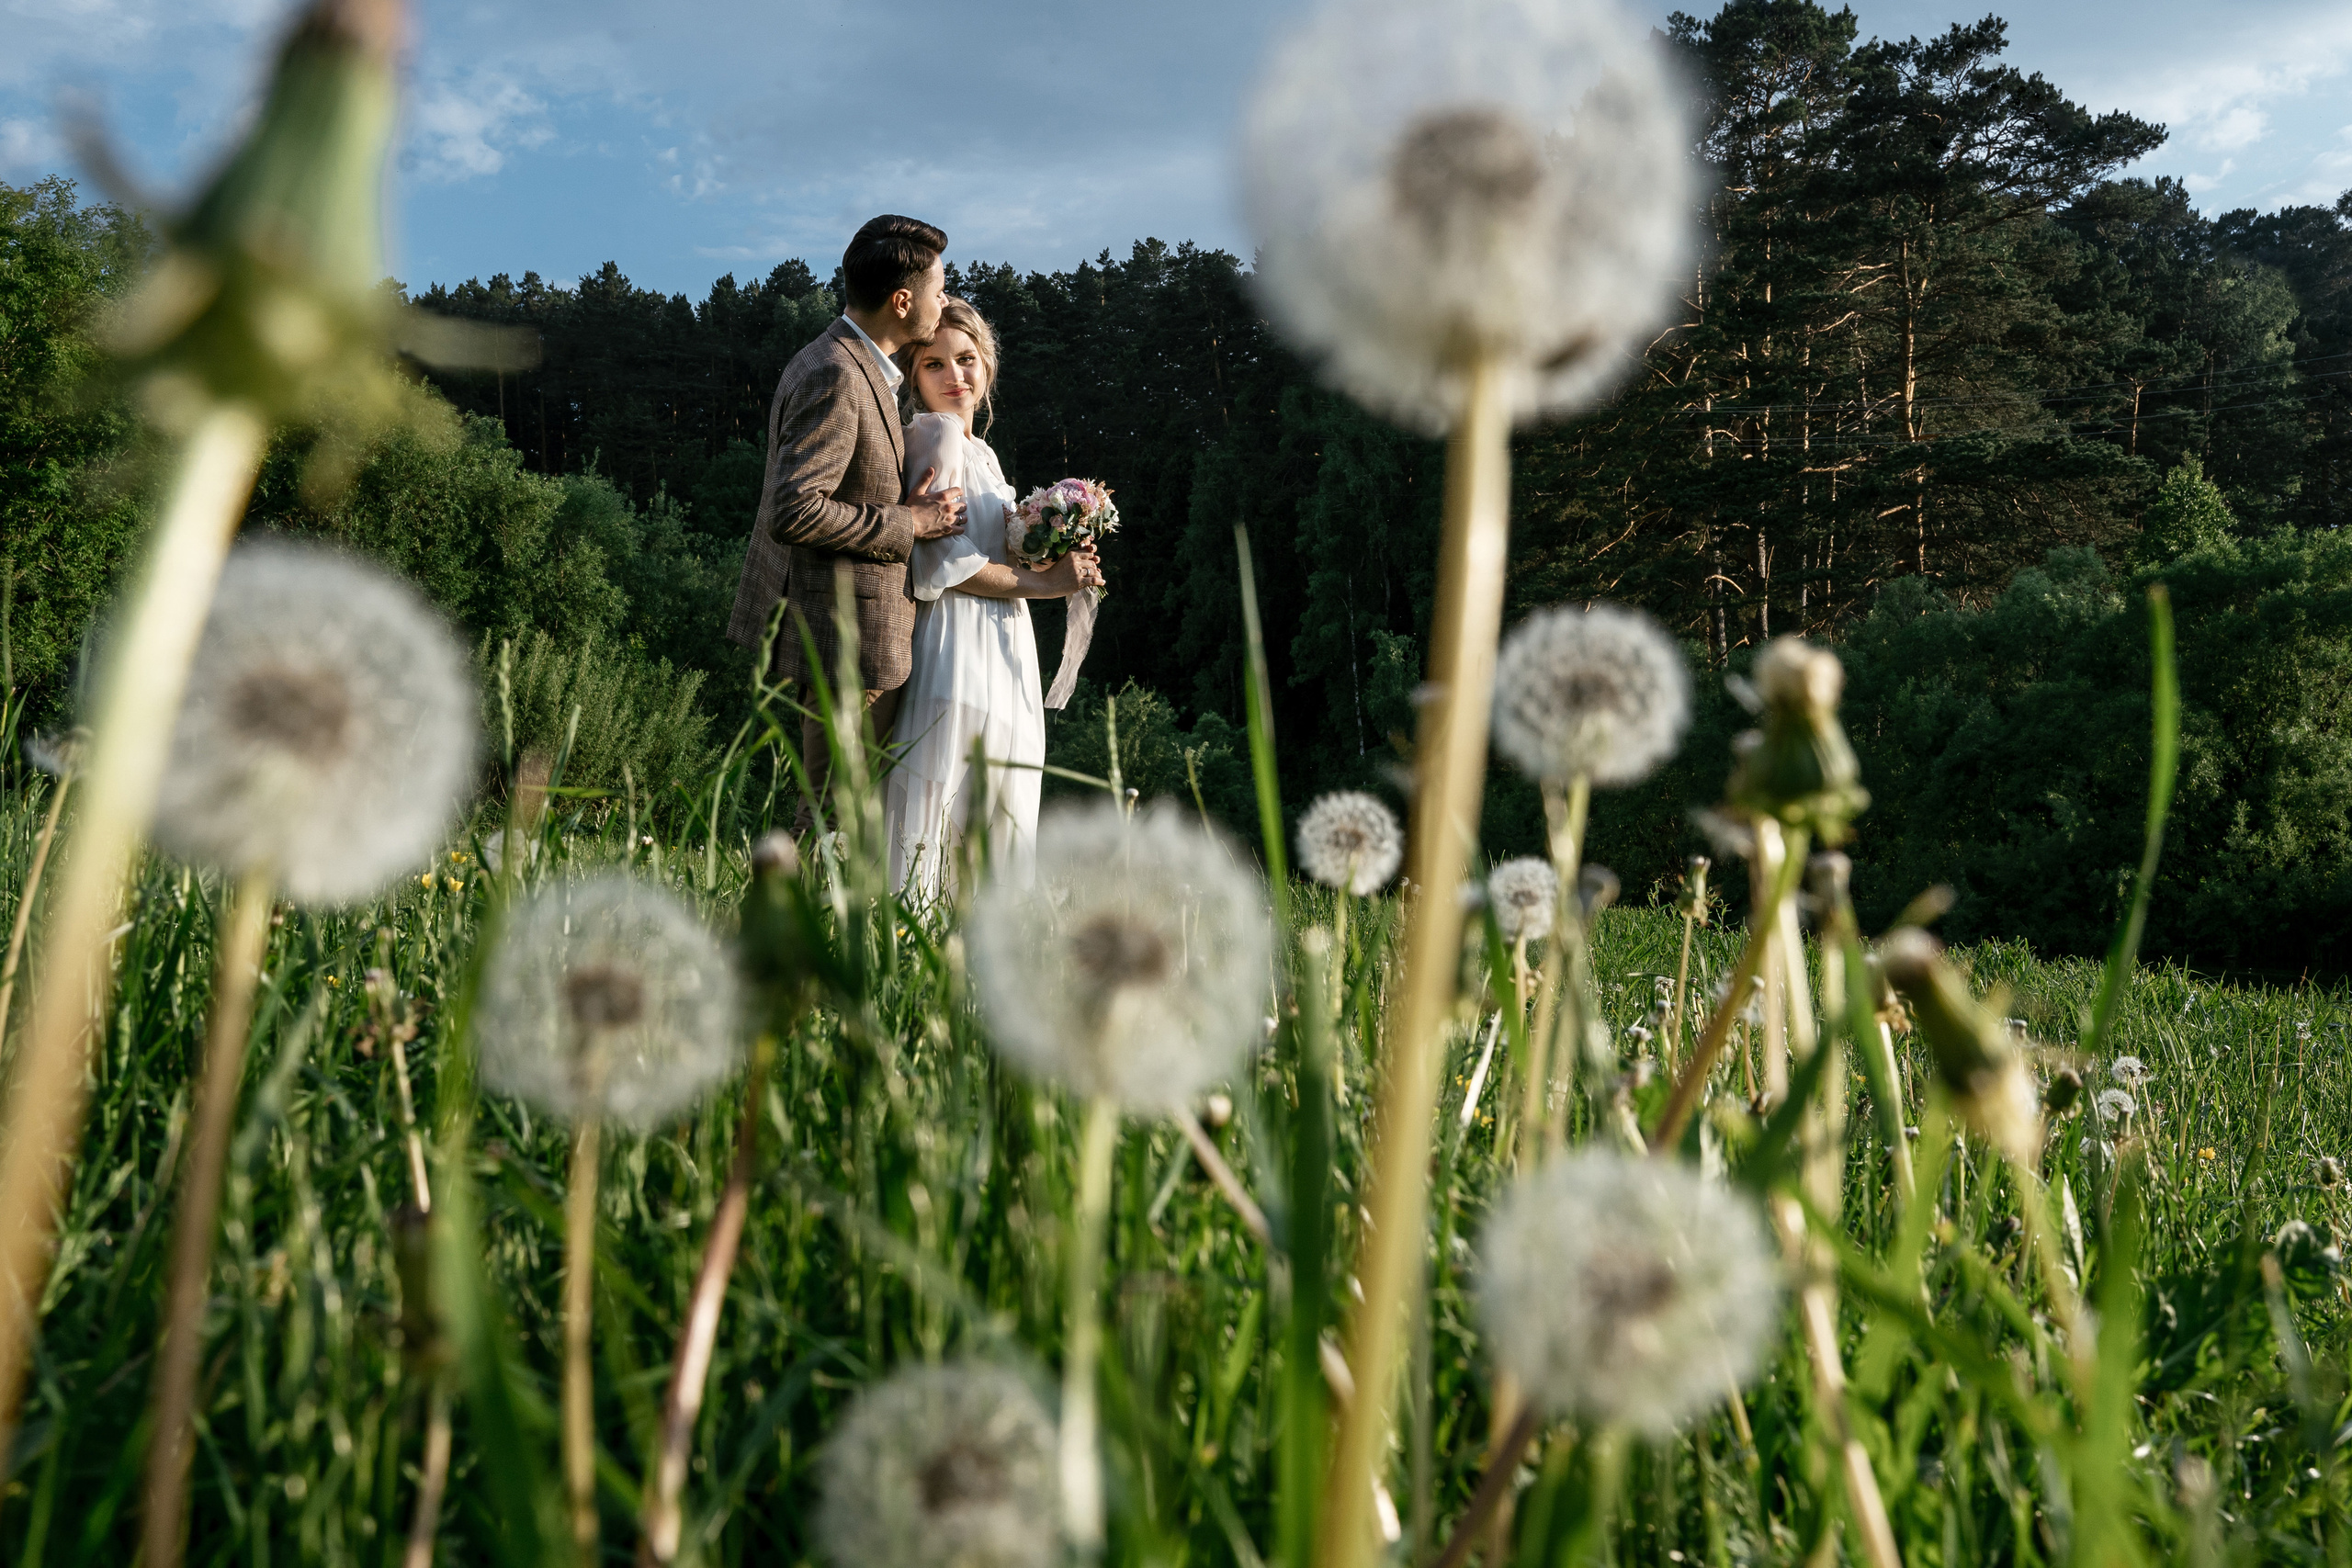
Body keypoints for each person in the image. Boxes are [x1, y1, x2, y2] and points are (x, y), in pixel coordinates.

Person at [723, 214, 968, 834]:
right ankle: (795, 928)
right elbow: (795, 508)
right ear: (903, 299)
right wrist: (908, 521)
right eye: (939, 291)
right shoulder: (837, 372)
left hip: (859, 639)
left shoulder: (858, 365)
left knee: (848, 815)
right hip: (845, 645)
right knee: (833, 819)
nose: (945, 301)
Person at [884, 298, 1102, 897]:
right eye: (934, 364)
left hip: (1002, 647)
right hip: (957, 646)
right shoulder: (936, 437)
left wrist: (1049, 545)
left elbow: (990, 548)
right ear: (914, 375)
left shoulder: (981, 453)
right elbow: (943, 566)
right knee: (944, 803)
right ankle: (916, 953)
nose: (954, 376)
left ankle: (968, 966)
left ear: (989, 366)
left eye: (967, 359)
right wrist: (1045, 584)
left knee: (992, 808)